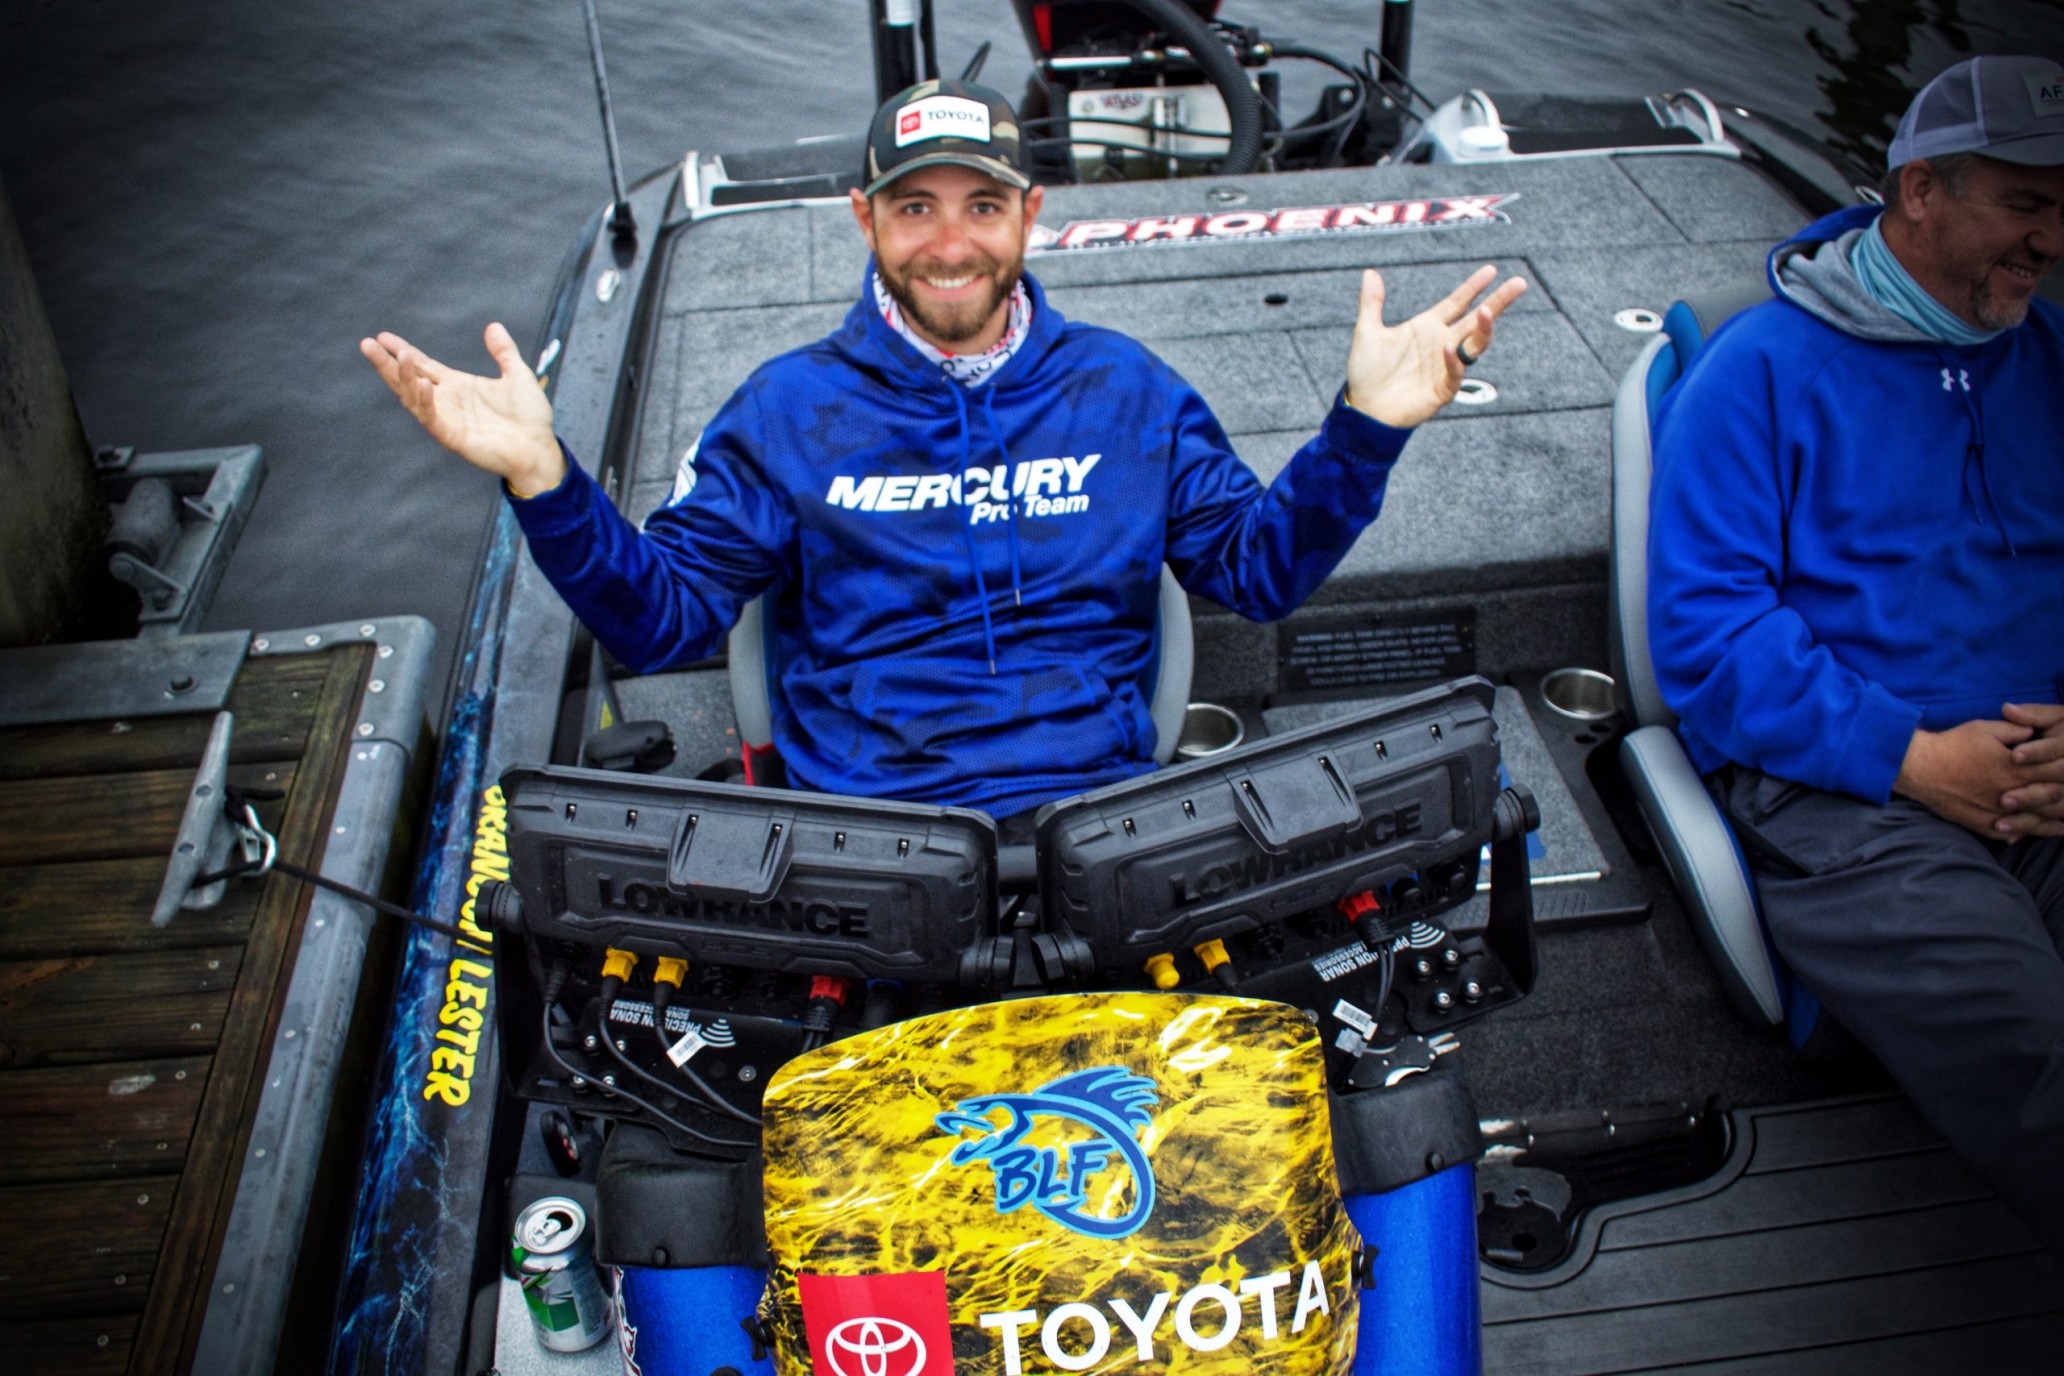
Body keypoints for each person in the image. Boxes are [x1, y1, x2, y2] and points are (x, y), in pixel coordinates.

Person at [362, 78, 1524, 820]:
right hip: (874, 840)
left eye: (983, 204)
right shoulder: (783, 412)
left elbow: (1258, 572)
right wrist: (543, 477)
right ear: (864, 220)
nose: (951, 242)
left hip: (1108, 823)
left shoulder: (1129, 389)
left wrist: (1365, 430)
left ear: (1030, 215)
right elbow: (660, 621)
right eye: (916, 208)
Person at [1648, 55, 2064, 1253]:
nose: (2052, 239)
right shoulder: (1761, 372)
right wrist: (1916, 759)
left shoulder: (2052, 359)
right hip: (1852, 799)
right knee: (2037, 1052)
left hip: (2045, 776)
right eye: (2024, 205)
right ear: (1922, 189)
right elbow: (1709, 636)